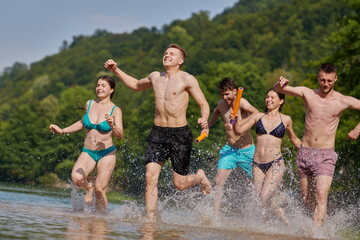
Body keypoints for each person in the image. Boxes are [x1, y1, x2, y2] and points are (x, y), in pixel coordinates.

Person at [104, 43, 212, 221]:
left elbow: (203, 104)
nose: (167, 55)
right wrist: (116, 70)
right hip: (158, 133)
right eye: (166, 53)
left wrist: (204, 120)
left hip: (180, 134)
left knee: (180, 184)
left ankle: (200, 177)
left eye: (172, 54)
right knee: (150, 176)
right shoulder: (155, 76)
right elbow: (137, 85)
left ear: (180, 60)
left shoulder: (187, 79)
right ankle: (150, 219)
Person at [274, 63, 360, 226]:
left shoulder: (342, 100)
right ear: (318, 78)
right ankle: (323, 224)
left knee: (321, 195)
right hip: (305, 152)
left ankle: (315, 234)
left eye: (329, 80)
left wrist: (357, 129)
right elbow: (279, 89)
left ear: (336, 78)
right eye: (322, 80)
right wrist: (280, 84)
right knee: (307, 199)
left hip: (325, 155)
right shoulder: (308, 94)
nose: (325, 84)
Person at [49, 75, 124, 213]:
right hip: (88, 151)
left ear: (112, 89)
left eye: (103, 86)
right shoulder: (89, 104)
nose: (99, 88)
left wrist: (112, 125)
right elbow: (82, 123)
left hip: (107, 153)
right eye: (98, 85)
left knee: (100, 188)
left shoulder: (116, 110)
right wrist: (62, 130)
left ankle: (101, 220)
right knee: (76, 178)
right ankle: (88, 187)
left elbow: (120, 135)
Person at [233, 88, 301, 224]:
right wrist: (234, 121)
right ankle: (268, 225)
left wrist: (308, 151)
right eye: (267, 97)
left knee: (264, 197)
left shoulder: (286, 119)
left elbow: (294, 139)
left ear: (281, 101)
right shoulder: (258, 116)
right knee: (260, 199)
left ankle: (273, 220)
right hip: (257, 164)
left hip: (275, 163)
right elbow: (239, 130)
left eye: (272, 97)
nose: (268, 99)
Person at [208, 77, 259, 216]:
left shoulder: (242, 102)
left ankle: (263, 214)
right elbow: (216, 113)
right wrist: (207, 126)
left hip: (247, 151)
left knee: (257, 185)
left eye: (227, 94)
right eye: (222, 94)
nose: (225, 97)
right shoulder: (221, 104)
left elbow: (256, 114)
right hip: (230, 150)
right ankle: (215, 216)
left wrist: (239, 124)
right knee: (218, 182)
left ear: (234, 92)